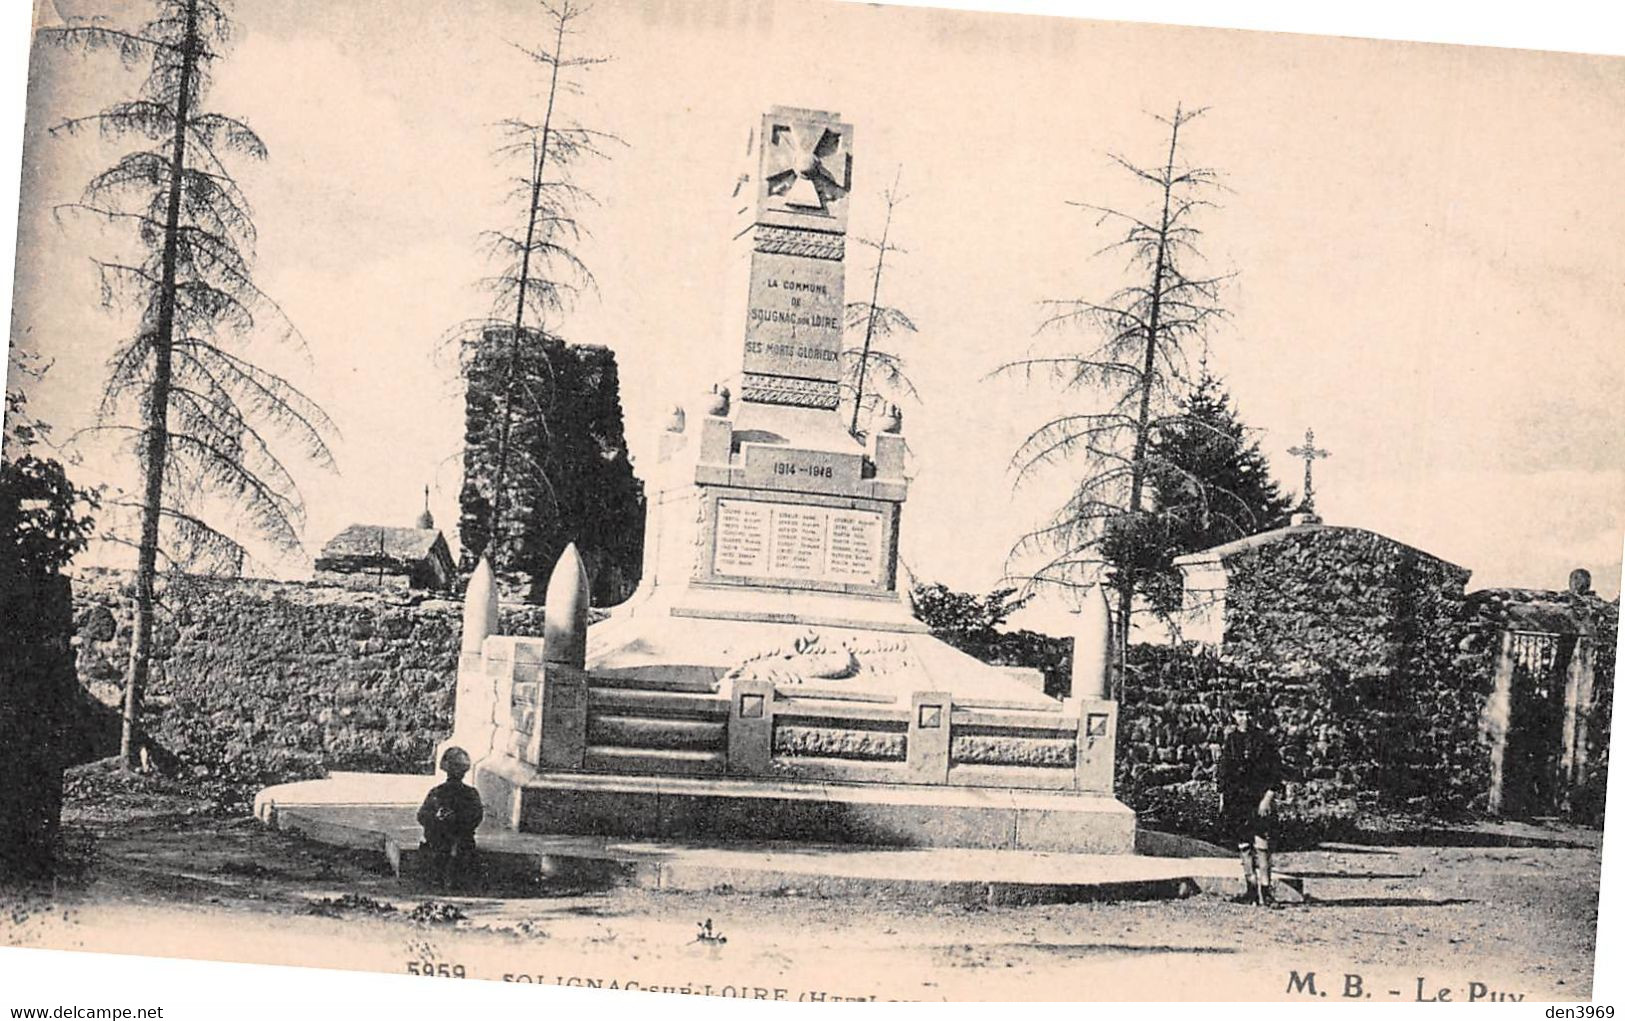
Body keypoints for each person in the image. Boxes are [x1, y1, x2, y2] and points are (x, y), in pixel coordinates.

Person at [1217, 700, 1283, 907]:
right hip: (1237, 799)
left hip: (1258, 798)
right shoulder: (1231, 740)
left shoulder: (1264, 741)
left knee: (1261, 844)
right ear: (1234, 716)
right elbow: (1224, 771)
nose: (1244, 718)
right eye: (1240, 714)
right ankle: (1251, 890)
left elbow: (1276, 773)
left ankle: (1266, 890)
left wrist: (1268, 798)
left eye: (1247, 714)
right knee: (1244, 845)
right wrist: (1222, 797)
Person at [417, 746, 484, 890]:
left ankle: (447, 877)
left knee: (454, 849)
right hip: (443, 837)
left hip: (453, 837)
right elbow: (477, 817)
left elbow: (422, 815)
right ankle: (448, 877)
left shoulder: (438, 792)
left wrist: (450, 819)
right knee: (445, 848)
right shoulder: (469, 793)